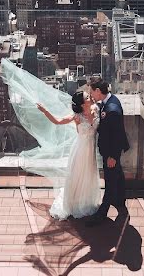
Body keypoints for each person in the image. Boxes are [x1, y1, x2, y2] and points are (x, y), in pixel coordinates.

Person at [36, 91, 101, 219]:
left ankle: (86, 201)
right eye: (87, 97)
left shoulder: (96, 109)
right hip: (80, 150)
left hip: (90, 151)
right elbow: (58, 121)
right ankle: (75, 202)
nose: (90, 97)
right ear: (82, 104)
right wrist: (45, 111)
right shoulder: (77, 116)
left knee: (89, 175)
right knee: (78, 175)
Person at [87, 80, 130, 226]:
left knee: (110, 181)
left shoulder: (111, 109)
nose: (91, 95)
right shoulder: (110, 101)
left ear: (98, 91)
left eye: (92, 91)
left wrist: (112, 156)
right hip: (110, 150)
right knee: (117, 174)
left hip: (111, 151)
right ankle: (121, 201)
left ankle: (102, 213)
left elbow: (116, 135)